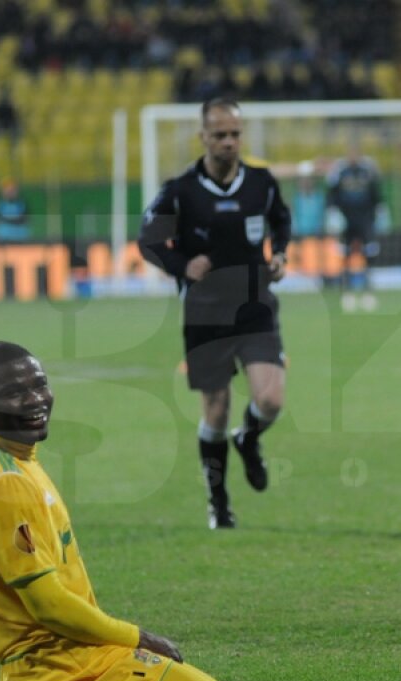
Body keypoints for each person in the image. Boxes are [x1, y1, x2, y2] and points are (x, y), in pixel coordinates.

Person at [0, 341, 256, 681]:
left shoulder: (2, 460)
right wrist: (139, 638)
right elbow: (48, 606)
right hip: (62, 665)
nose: (35, 400)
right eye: (14, 393)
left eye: (39, 385)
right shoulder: (5, 483)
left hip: (71, 654)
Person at [138, 97, 292, 530]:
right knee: (217, 410)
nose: (228, 141)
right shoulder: (180, 191)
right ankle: (219, 503)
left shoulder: (261, 183)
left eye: (235, 134)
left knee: (271, 399)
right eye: (220, 134)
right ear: (203, 136)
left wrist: (280, 254)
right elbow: (148, 242)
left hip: (256, 306)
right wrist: (182, 265)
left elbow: (281, 220)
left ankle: (249, 438)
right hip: (206, 313)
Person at [324, 138, 388, 312]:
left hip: (365, 219)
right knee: (345, 256)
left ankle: (368, 292)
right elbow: (332, 194)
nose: (353, 156)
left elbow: (376, 193)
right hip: (346, 219)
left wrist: (380, 209)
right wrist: (332, 212)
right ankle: (347, 292)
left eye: (356, 153)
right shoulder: (340, 171)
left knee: (369, 255)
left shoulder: (368, 171)